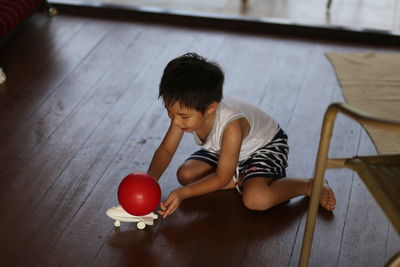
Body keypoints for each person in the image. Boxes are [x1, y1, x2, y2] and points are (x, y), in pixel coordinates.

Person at [147, 52, 336, 218]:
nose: (176, 121)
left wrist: (183, 193)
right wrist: (149, 181)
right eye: (170, 112)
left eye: (183, 116)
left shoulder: (232, 127)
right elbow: (166, 149)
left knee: (256, 199)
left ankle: (310, 185)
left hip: (264, 147)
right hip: (227, 150)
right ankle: (240, 177)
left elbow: (220, 178)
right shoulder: (184, 112)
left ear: (211, 108)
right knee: (186, 174)